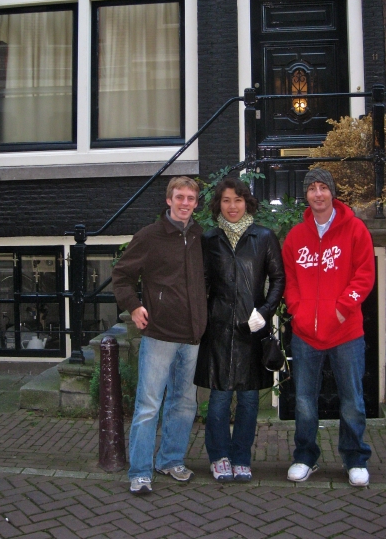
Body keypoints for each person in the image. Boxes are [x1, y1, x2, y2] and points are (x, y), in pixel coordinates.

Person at [112, 176, 207, 495]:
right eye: (179, 197)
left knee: (183, 403)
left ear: (196, 203)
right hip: (159, 335)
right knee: (148, 405)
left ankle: (170, 459)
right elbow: (122, 276)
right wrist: (134, 307)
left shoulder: (197, 235)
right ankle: (139, 471)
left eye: (190, 198)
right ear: (168, 200)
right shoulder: (149, 236)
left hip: (192, 335)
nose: (185, 203)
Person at [282, 168, 375, 487]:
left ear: (332, 193)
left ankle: (355, 458)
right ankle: (305, 457)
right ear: (306, 195)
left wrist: (341, 309)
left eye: (323, 188)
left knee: (352, 399)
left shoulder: (356, 230)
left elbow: (364, 275)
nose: (318, 194)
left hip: (346, 332)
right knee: (305, 400)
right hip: (305, 334)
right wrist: (298, 311)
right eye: (312, 189)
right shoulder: (295, 237)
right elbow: (289, 281)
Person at [194, 177, 285, 482]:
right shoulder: (209, 240)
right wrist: (202, 321)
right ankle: (219, 456)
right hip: (218, 331)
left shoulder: (264, 237)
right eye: (226, 201)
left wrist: (265, 310)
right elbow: (202, 285)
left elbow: (279, 279)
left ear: (247, 202)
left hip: (252, 330)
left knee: (247, 400)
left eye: (238, 200)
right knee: (218, 399)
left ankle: (241, 456)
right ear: (218, 204)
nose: (232, 207)